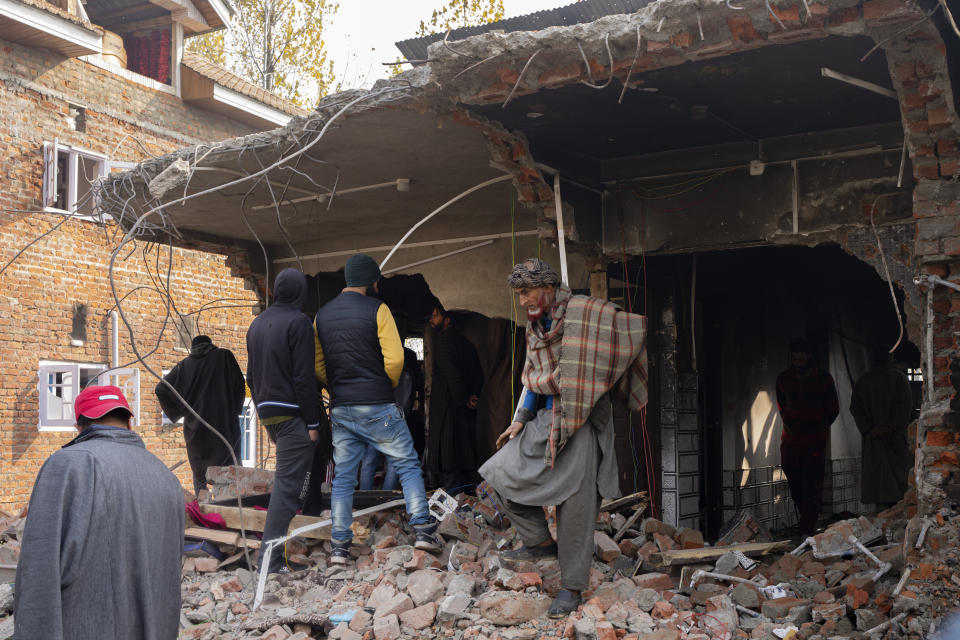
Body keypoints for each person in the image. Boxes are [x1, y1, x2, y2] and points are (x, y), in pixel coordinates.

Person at [479, 258, 648, 618]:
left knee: (577, 507)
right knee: (498, 474)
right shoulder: (535, 327)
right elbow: (534, 377)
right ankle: (540, 541)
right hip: (547, 419)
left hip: (585, 422)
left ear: (548, 287)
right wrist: (521, 419)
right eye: (518, 294)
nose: (522, 300)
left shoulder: (585, 313)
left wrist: (601, 374)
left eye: (526, 291)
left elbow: (630, 328)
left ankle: (571, 588)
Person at [14, 385, 184, 640]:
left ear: (79, 427)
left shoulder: (69, 465)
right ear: (129, 424)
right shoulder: (166, 477)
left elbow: (39, 571)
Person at [314, 254, 440, 565]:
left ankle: (340, 548)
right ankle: (423, 530)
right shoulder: (378, 309)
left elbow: (317, 364)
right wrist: (383, 386)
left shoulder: (322, 316)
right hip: (377, 404)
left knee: (344, 477)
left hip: (342, 407)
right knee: (408, 464)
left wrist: (338, 386)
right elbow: (396, 360)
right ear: (373, 282)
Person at [246, 268, 321, 573]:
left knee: (291, 483)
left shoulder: (257, 324)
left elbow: (250, 376)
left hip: (267, 409)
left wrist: (265, 410)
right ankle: (270, 562)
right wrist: (314, 423)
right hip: (292, 412)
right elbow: (303, 378)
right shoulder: (299, 322)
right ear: (300, 292)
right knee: (287, 489)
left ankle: (278, 556)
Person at [155, 334, 246, 498]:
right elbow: (239, 384)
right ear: (210, 345)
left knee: (200, 477)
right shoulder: (224, 356)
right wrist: (235, 409)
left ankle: (204, 513)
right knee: (228, 474)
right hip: (223, 428)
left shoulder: (183, 366)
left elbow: (161, 389)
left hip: (196, 432)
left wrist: (179, 412)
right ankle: (225, 510)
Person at [775, 337, 840, 536]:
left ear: (809, 357)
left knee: (811, 486)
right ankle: (807, 523)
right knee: (796, 485)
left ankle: (807, 529)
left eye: (801, 359)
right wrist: (792, 424)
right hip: (791, 442)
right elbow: (781, 407)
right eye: (795, 359)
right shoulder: (784, 379)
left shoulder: (823, 379)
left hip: (814, 442)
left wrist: (817, 428)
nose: (798, 362)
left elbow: (833, 409)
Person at [427, 303, 484, 494]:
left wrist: (463, 399)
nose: (431, 320)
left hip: (450, 408)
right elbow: (478, 373)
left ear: (448, 319)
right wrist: (473, 395)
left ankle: (455, 511)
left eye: (435, 316)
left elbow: (452, 374)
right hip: (464, 409)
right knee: (463, 457)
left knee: (451, 458)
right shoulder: (466, 343)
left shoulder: (444, 341)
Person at [850, 349, 913, 508]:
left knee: (879, 482)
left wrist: (870, 428)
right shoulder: (899, 378)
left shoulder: (863, 381)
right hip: (894, 438)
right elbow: (905, 406)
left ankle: (883, 516)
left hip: (874, 439)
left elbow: (855, 408)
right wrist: (891, 427)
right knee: (899, 482)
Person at [359, 345, 422, 491]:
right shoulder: (405, 374)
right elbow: (406, 401)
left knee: (369, 460)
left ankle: (364, 499)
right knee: (394, 462)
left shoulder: (374, 370)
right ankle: (385, 499)